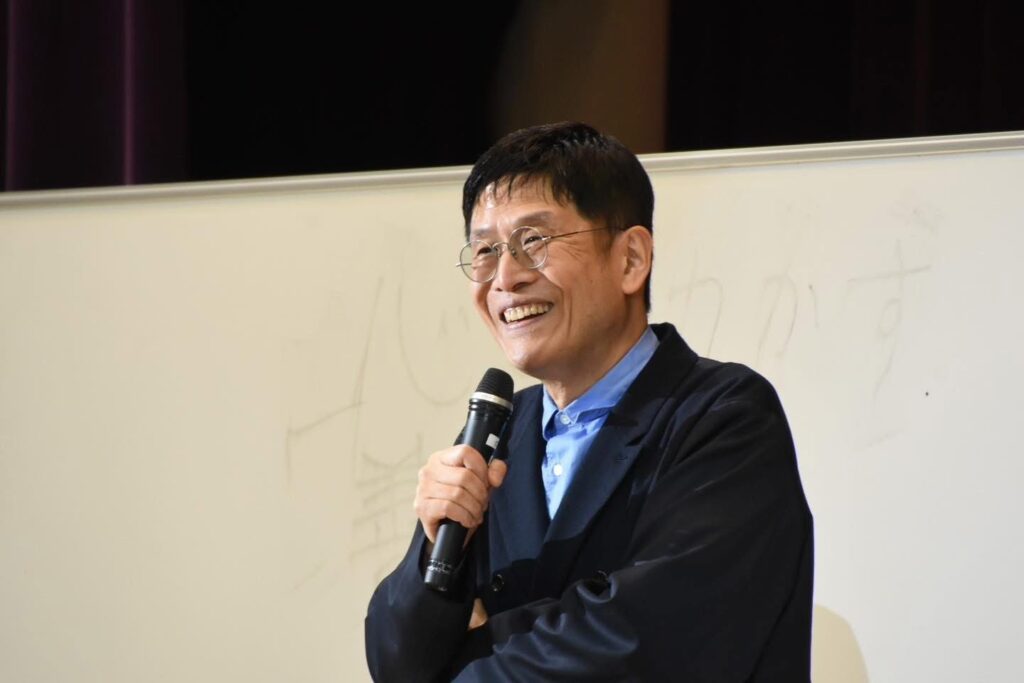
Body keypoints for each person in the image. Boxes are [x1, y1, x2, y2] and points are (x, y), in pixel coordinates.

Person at [364, 122, 813, 681]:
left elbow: (639, 644)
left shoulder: (725, 417)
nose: (505, 277)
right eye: (484, 251)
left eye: (534, 241)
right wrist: (433, 551)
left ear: (630, 259)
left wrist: (466, 655)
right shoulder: (500, 434)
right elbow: (396, 663)